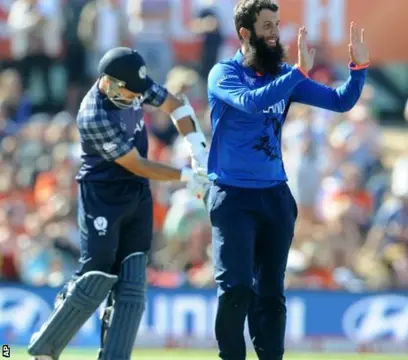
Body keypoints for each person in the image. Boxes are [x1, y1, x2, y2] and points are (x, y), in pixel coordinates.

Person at [205, 0, 369, 359]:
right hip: (232, 196)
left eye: (277, 24)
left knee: (270, 292)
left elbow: (341, 102)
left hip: (274, 196)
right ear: (245, 33)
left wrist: (359, 67)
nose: (275, 33)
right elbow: (248, 102)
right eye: (267, 26)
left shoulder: (283, 75)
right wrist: (296, 73)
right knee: (235, 288)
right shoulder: (223, 74)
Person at [27, 47, 209, 360]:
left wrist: (197, 148)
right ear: (109, 82)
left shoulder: (132, 84)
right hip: (103, 196)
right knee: (97, 276)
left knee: (134, 285)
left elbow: (173, 105)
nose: (137, 97)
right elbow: (136, 163)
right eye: (130, 91)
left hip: (137, 194)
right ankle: (46, 347)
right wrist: (186, 176)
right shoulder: (93, 114)